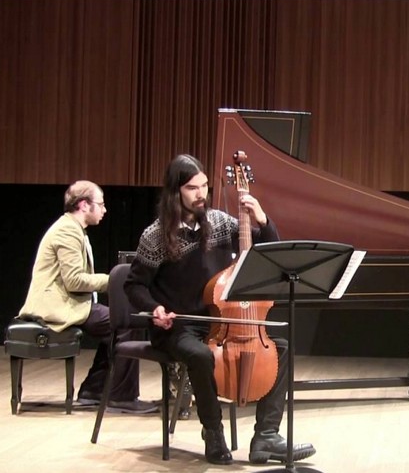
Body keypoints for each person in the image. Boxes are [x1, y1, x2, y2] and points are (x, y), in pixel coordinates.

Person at [124, 154, 316, 465]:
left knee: (279, 348)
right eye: (192, 188)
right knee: (200, 355)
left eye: (204, 186)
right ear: (175, 191)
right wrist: (155, 309)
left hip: (221, 323)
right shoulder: (157, 235)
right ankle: (213, 432)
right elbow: (133, 286)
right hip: (178, 327)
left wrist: (263, 220)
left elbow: (268, 254)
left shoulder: (221, 224)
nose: (201, 194)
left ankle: (266, 437)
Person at [18, 180, 156, 414]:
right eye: (100, 205)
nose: (104, 210)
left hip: (71, 302)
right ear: (84, 205)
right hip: (57, 306)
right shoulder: (67, 230)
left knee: (117, 323)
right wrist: (115, 280)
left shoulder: (73, 229)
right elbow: (74, 280)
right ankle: (121, 396)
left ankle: (94, 390)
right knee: (128, 321)